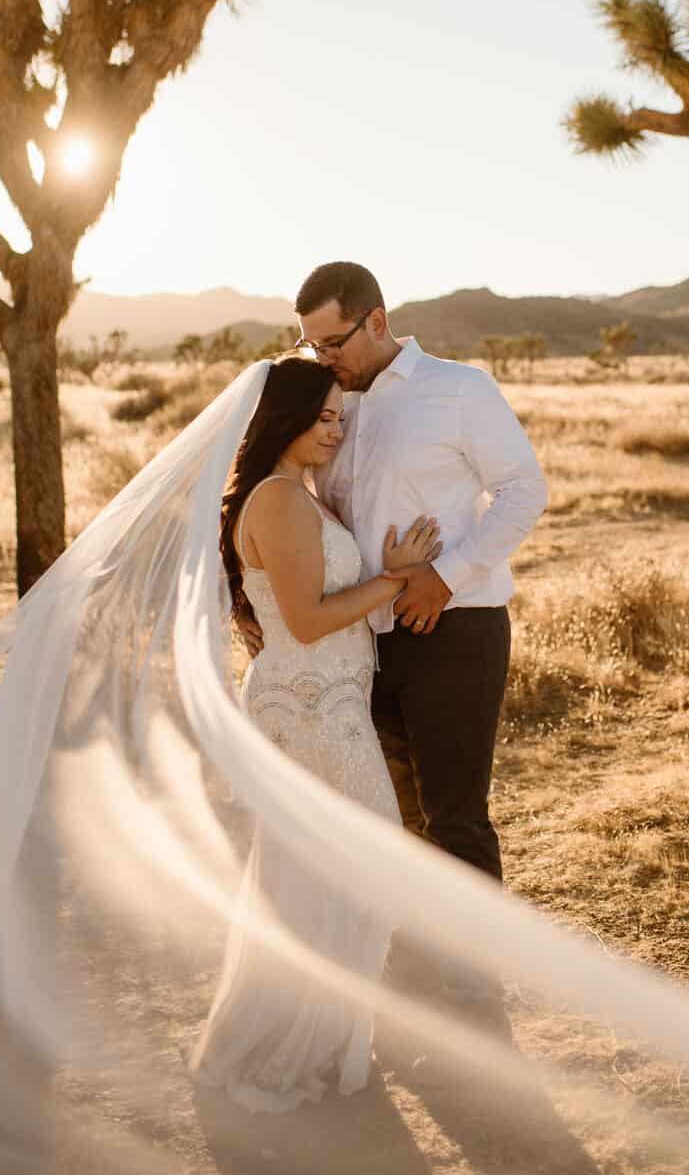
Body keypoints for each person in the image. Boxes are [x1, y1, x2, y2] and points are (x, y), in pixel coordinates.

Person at [239, 262, 548, 1024]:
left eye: (333, 342)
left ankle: (475, 995)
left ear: (377, 322)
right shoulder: (333, 407)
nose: (323, 360)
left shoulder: (460, 390)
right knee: (393, 818)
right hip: (364, 645)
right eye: (311, 348)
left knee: (454, 816)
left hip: (456, 628)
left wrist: (443, 575)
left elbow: (524, 491)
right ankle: (413, 979)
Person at [189, 354, 442, 1111]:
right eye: (323, 416)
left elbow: (327, 610)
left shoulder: (299, 497)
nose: (334, 431)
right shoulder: (278, 500)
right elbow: (303, 622)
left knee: (320, 872)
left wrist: (383, 577)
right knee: (351, 868)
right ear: (284, 417)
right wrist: (394, 578)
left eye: (340, 417)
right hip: (308, 708)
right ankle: (289, 1046)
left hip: (325, 699)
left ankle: (324, 1038)